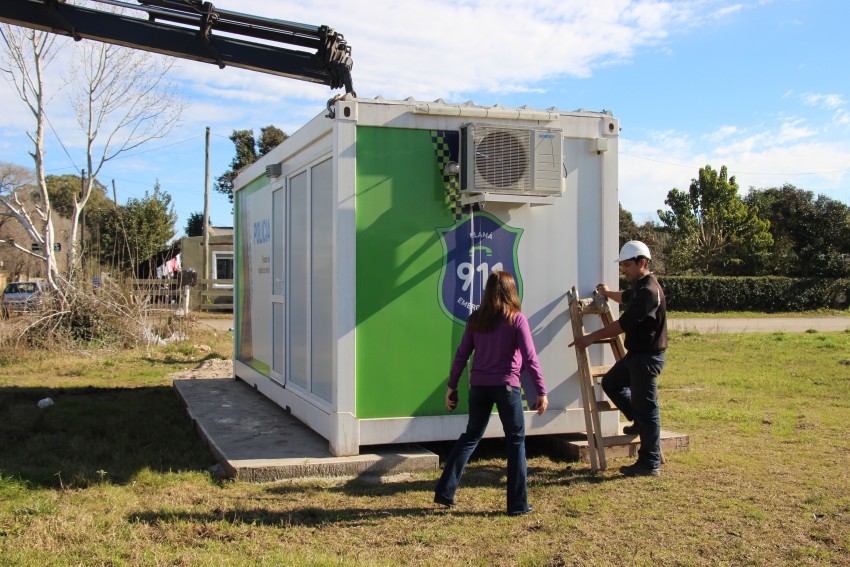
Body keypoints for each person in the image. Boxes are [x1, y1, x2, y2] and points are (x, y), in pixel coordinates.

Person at [434, 271, 549, 515]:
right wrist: (541, 390)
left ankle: (445, 491)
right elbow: (530, 358)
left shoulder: (476, 319)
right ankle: (517, 504)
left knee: (471, 436)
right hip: (507, 387)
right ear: (511, 291)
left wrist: (451, 387)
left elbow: (461, 356)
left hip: (479, 387)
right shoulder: (516, 320)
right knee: (516, 440)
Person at [569, 240, 668, 477]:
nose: (624, 270)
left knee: (649, 411)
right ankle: (636, 419)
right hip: (636, 356)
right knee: (612, 383)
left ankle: (650, 462)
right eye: (622, 265)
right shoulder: (639, 286)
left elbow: (623, 324)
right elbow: (625, 297)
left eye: (627, 265)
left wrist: (590, 337)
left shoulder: (648, 291)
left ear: (642, 263)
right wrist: (606, 294)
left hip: (647, 358)